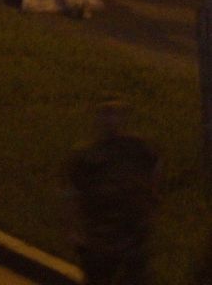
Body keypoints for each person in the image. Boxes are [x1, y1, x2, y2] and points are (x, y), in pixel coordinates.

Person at [64, 98, 160, 285]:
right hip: (98, 236)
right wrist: (72, 229)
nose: (110, 120)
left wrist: (151, 201)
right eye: (105, 114)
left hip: (132, 233)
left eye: (116, 114)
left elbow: (155, 168)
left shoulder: (137, 148)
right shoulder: (85, 155)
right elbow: (71, 193)